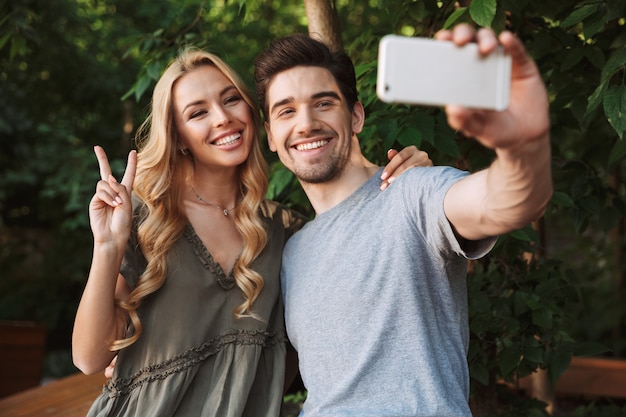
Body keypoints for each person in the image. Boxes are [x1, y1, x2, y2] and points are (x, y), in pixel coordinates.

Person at [72, 47, 431, 417]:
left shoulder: (287, 231)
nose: (223, 118)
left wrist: (407, 184)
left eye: (231, 100)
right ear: (178, 136)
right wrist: (107, 245)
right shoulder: (146, 220)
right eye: (198, 113)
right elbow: (89, 357)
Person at [253, 24, 552, 416]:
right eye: (286, 110)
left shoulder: (413, 193)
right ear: (272, 136)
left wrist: (523, 145)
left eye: (324, 103)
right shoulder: (292, 251)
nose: (306, 122)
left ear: (356, 116)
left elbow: (509, 201)